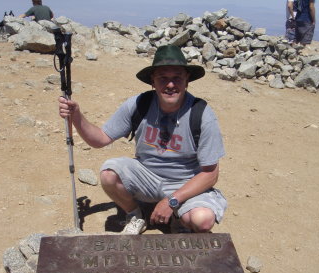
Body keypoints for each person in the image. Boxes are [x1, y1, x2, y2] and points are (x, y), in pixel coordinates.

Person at [58, 45, 227, 235]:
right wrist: (76, 116)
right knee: (109, 173)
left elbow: (210, 174)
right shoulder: (139, 105)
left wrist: (172, 200)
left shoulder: (202, 114)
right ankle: (136, 214)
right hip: (147, 176)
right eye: (163, 78)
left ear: (187, 81)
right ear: (153, 82)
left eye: (177, 77)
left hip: (186, 182)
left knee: (202, 220)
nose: (170, 84)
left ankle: (180, 219)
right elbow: (100, 139)